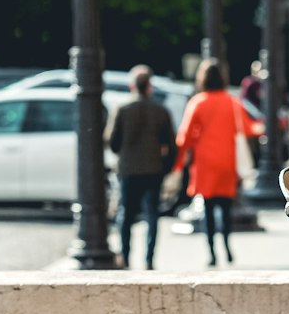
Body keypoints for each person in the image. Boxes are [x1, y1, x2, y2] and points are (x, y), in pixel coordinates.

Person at [174, 59, 262, 266]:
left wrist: (178, 164)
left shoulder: (198, 102)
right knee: (225, 206)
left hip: (205, 163)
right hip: (227, 161)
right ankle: (227, 245)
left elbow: (184, 137)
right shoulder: (231, 102)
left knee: (208, 208)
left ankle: (212, 251)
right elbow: (249, 128)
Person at [106, 64, 176, 270]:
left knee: (126, 213)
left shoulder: (122, 109)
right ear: (149, 87)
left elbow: (112, 142)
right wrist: (166, 168)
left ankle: (126, 256)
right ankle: (149, 258)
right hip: (153, 169)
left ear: (132, 86)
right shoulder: (160, 111)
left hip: (128, 169)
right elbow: (171, 144)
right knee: (151, 215)